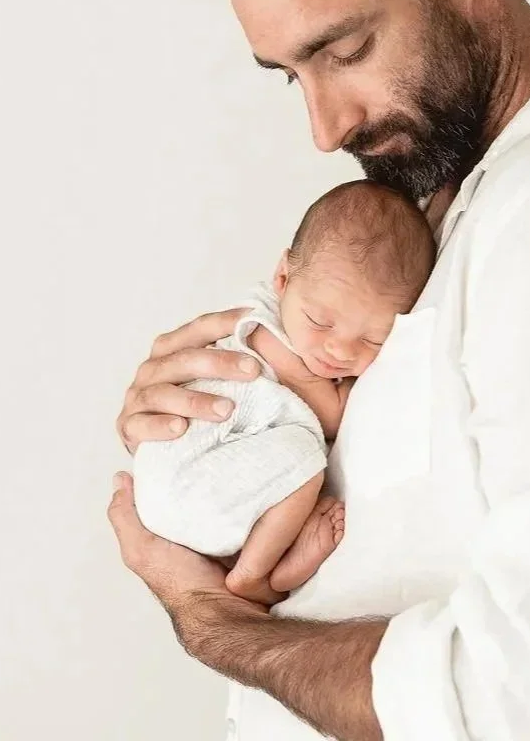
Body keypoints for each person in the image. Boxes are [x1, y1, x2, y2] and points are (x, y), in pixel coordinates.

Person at [107, 0, 530, 739]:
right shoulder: (440, 214)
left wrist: (214, 621)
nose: (324, 128)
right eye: (291, 78)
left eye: (344, 50)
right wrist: (213, 422)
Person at [132, 181, 435, 606]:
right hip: (186, 481)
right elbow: (332, 417)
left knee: (285, 460)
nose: (338, 350)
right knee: (304, 457)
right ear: (283, 277)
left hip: (189, 494)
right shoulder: (264, 331)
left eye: (373, 339)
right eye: (321, 321)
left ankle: (256, 556)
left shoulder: (299, 315)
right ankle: (255, 575)